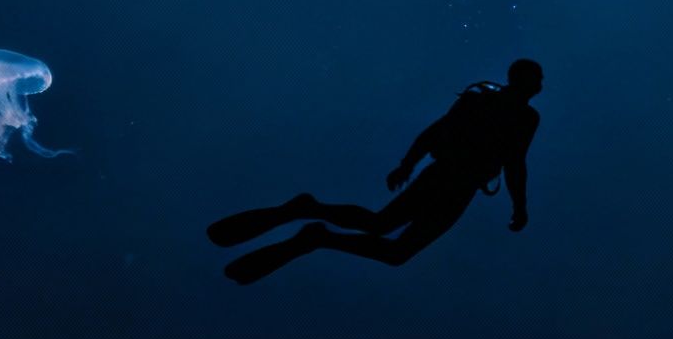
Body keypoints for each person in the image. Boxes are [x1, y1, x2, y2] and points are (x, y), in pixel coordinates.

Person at [209, 59, 543, 285]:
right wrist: (520, 207)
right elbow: (511, 161)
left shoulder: (491, 104)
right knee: (387, 237)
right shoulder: (510, 112)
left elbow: (437, 135)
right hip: (449, 181)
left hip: (454, 182)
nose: (540, 83)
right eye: (537, 78)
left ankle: (315, 226)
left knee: (387, 238)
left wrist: (408, 164)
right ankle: (313, 222)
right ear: (524, 80)